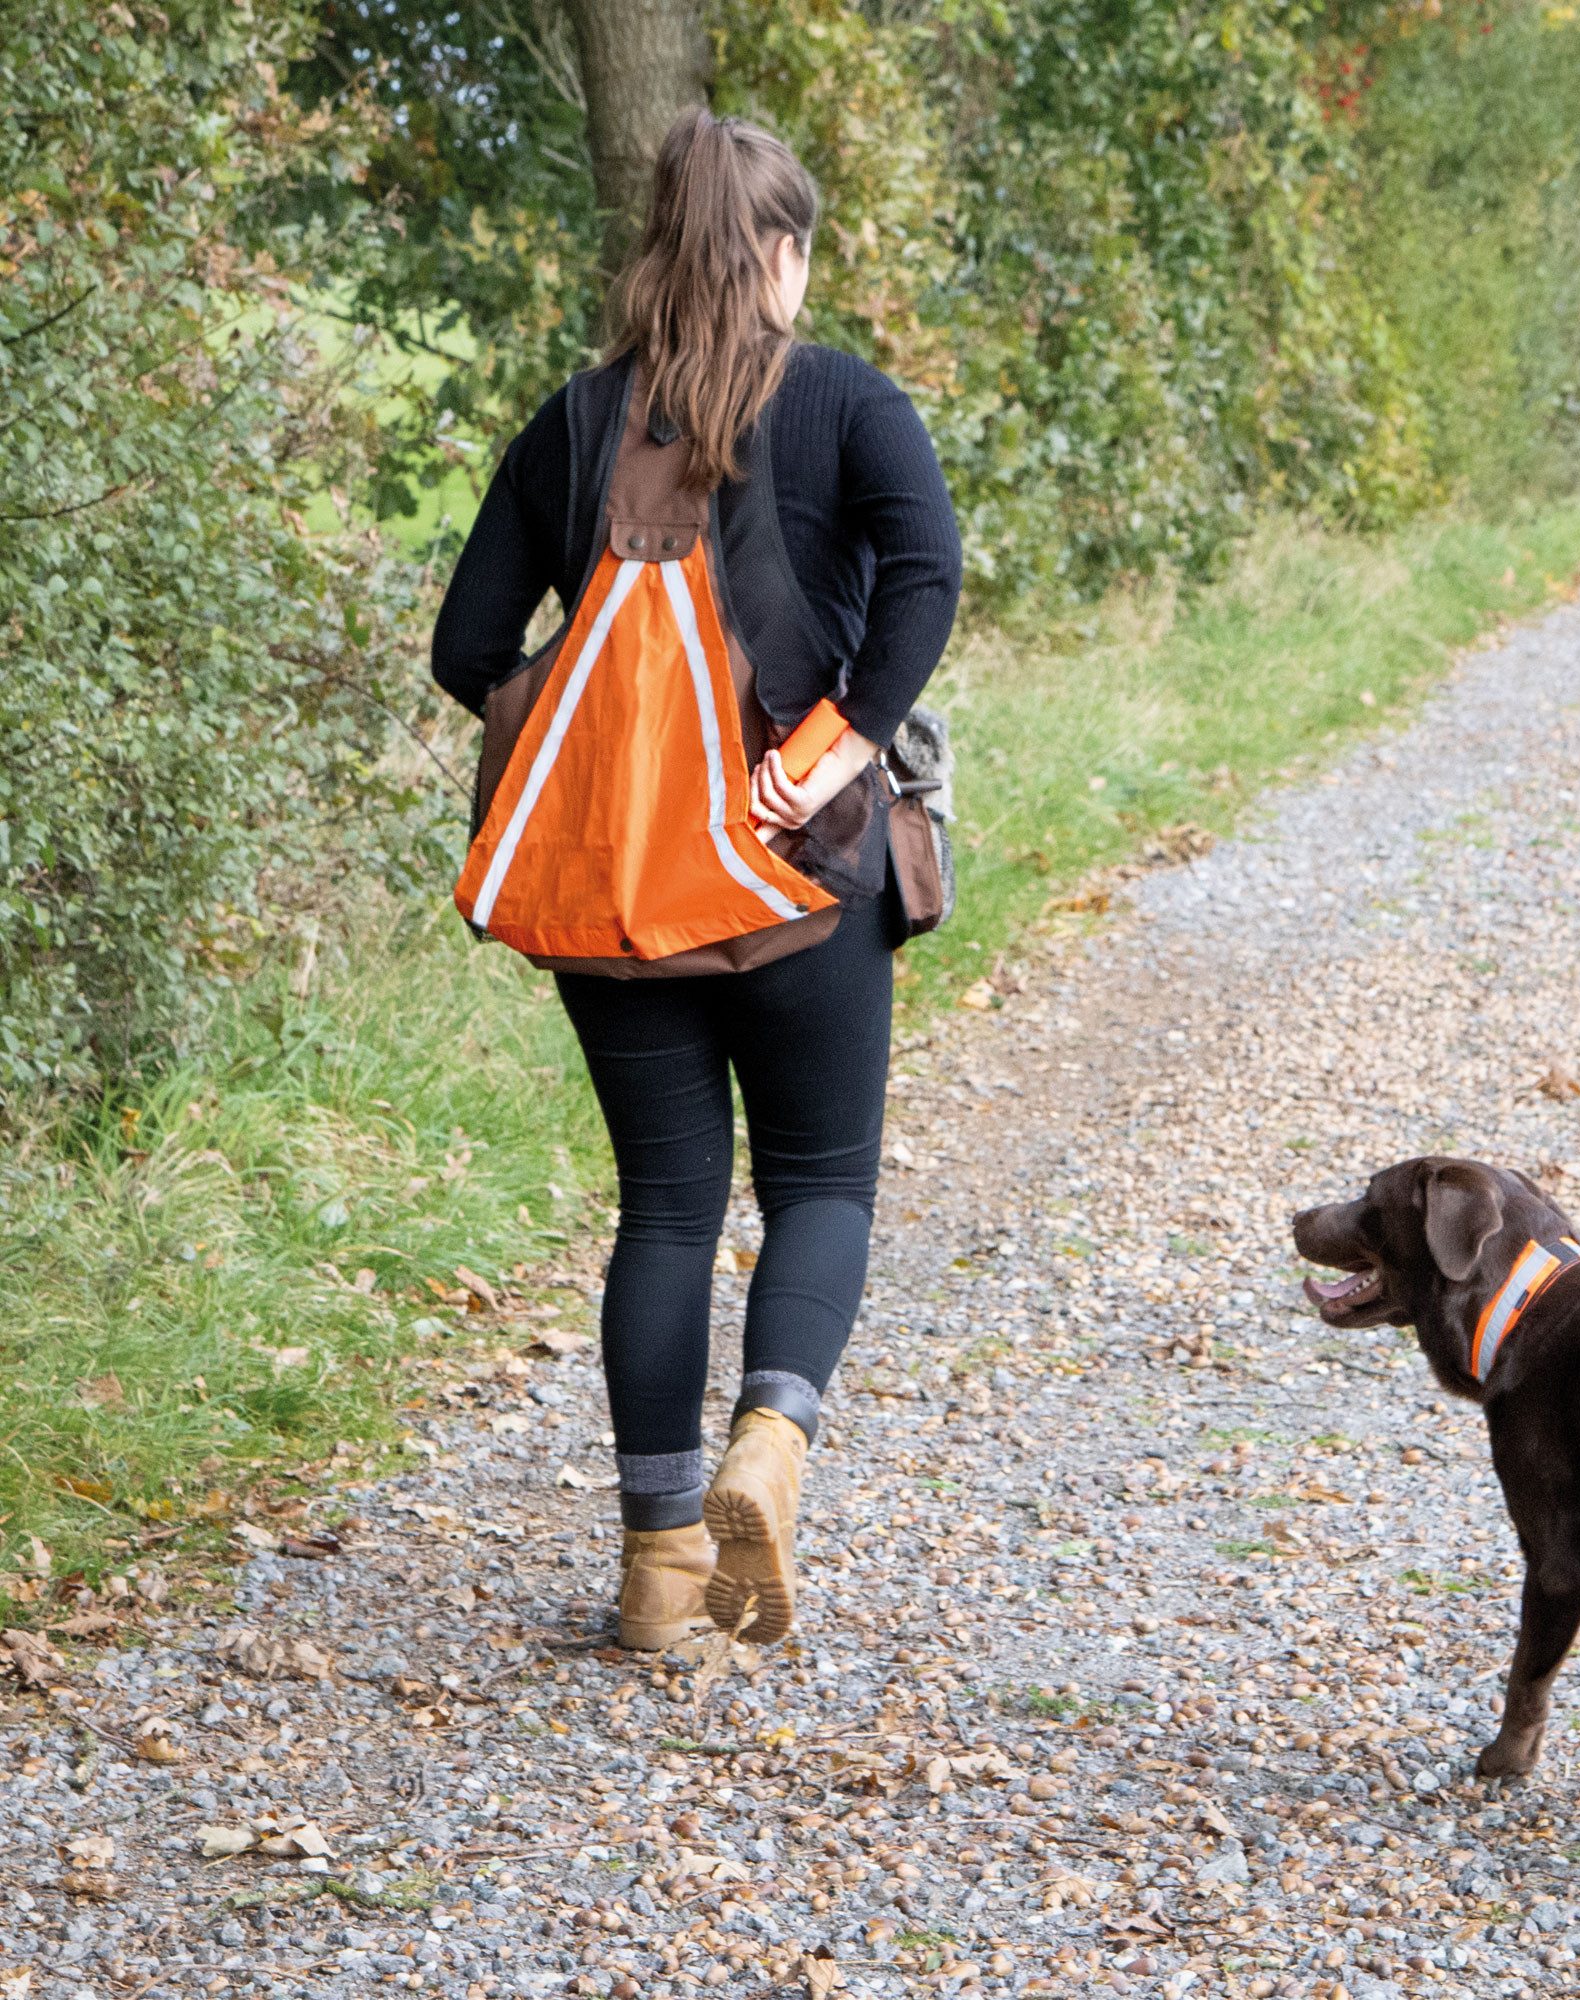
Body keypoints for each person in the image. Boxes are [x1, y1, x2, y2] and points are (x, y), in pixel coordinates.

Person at [430, 108, 961, 1649]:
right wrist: (839, 739)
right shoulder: (855, 406)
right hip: (800, 876)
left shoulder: (573, 427)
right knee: (821, 1185)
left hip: (615, 909)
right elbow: (926, 573)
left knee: (665, 1209)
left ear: (658, 253)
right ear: (783, 254)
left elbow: (468, 650)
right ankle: (771, 1446)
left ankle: (660, 1576)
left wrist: (593, 739)